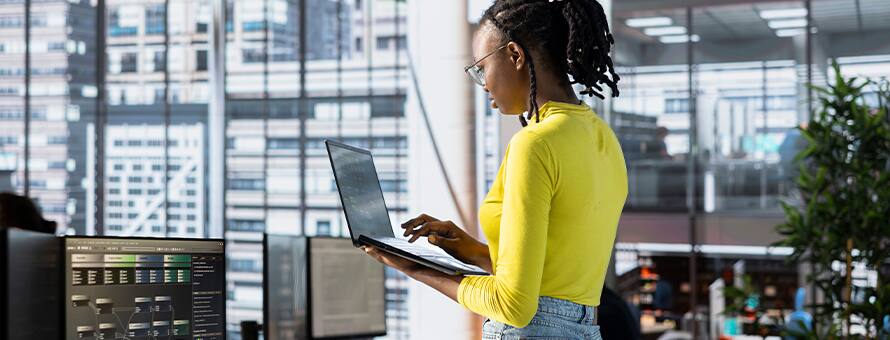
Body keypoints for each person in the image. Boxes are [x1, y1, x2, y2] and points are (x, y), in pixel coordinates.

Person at [361, 0, 628, 338]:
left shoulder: (535, 144)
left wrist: (412, 267)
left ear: (515, 55)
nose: (482, 83)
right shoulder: (603, 137)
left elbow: (516, 305)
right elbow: (556, 281)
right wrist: (472, 251)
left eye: (481, 68)